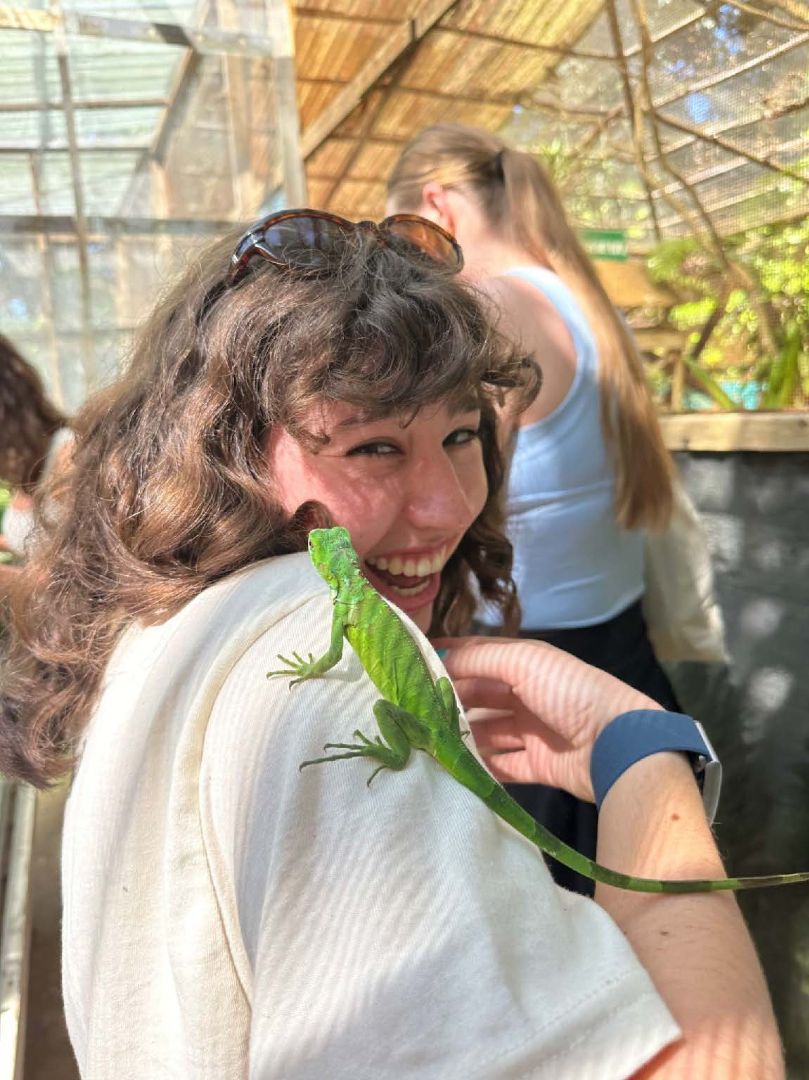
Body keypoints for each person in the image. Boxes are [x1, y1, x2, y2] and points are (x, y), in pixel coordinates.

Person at [0, 212, 779, 1078]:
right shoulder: (315, 692)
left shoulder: (164, 619)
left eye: (459, 434)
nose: (450, 506)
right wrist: (640, 754)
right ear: (226, 452)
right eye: (372, 445)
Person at [387, 123, 688, 894]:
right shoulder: (587, 301)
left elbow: (455, 506)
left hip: (530, 680)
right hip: (621, 649)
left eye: (405, 233)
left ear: (437, 205)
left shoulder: (490, 304)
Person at [0, 334, 72, 602]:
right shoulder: (28, 467)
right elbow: (44, 543)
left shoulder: (68, 455)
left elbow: (92, 577)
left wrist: (8, 579)